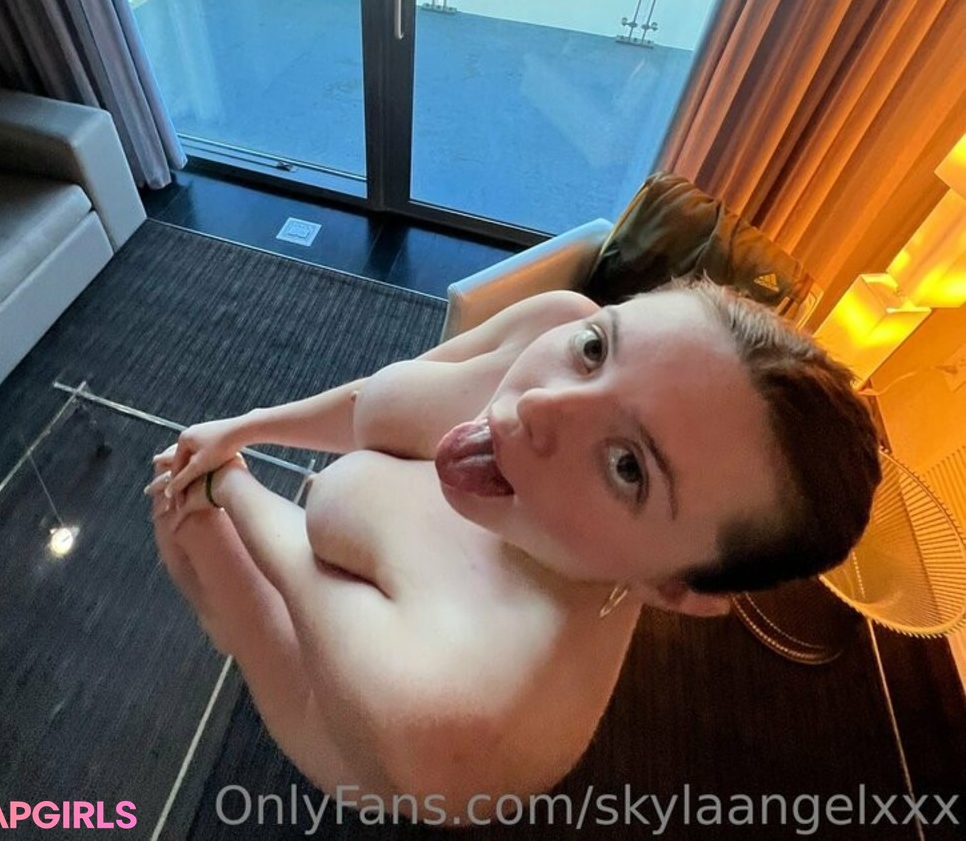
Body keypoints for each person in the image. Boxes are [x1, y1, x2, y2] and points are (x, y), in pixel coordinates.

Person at [146, 277, 879, 816]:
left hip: (343, 713)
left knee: (186, 534)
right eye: (597, 350)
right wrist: (247, 426)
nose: (535, 405)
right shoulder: (560, 320)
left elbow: (289, 568)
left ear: (675, 588)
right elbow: (380, 400)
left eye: (628, 466)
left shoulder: (453, 715)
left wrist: (222, 485)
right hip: (351, 588)